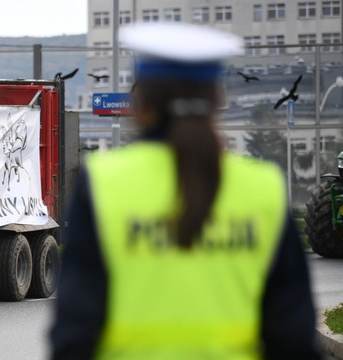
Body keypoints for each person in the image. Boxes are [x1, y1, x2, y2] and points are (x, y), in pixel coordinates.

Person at [50, 23, 320, 360]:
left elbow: (75, 333)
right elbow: (292, 336)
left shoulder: (105, 183)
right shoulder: (263, 188)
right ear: (216, 100)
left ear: (142, 101)